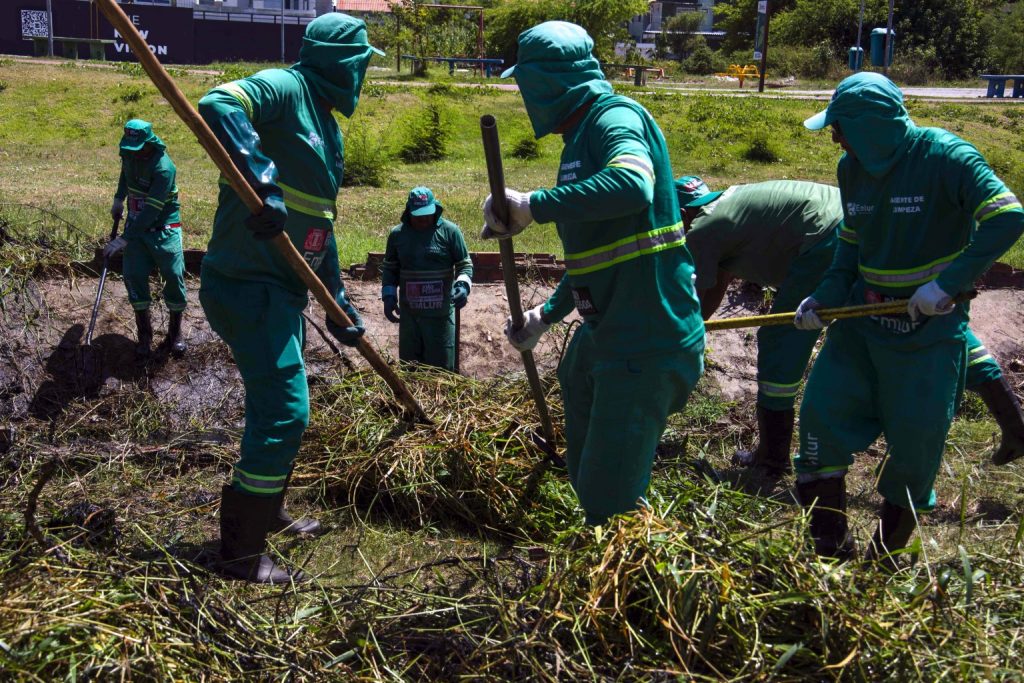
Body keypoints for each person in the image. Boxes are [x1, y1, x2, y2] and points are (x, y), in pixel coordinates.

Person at [795, 72, 1023, 568]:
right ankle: (828, 544)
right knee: (819, 418)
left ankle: (884, 561)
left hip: (927, 331)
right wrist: (823, 298)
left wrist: (946, 284)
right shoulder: (850, 168)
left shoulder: (946, 158)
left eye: (840, 127)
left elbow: (1008, 214)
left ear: (871, 127)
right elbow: (849, 249)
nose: (834, 137)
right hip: (860, 322)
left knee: (916, 447)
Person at [482, 21, 705, 526]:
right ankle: (599, 502)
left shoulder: (613, 118)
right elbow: (600, 258)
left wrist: (533, 206)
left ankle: (620, 581)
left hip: (647, 336)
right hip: (608, 327)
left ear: (546, 83)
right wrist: (545, 314)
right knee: (575, 377)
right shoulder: (578, 139)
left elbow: (632, 183)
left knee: (611, 502)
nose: (523, 96)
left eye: (525, 84)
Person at [197, 13, 382, 583]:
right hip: (247, 285)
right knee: (286, 410)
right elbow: (217, 103)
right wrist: (260, 180)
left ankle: (269, 510)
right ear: (341, 61)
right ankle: (241, 554)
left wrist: (339, 306)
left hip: (284, 293)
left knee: (275, 406)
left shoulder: (328, 128)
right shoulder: (286, 86)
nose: (363, 75)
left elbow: (317, 231)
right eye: (360, 64)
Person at [679, 177, 1024, 477]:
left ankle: (771, 458)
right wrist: (700, 328)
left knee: (780, 337)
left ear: (682, 214)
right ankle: (1013, 421)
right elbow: (712, 289)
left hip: (823, 242)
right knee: (926, 322)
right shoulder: (730, 206)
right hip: (862, 227)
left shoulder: (703, 229)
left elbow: (689, 303)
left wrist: (680, 347)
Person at [105, 119, 187, 358]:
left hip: (164, 227)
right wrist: (119, 199)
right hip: (135, 227)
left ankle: (175, 333)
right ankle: (145, 334)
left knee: (173, 275)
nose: (133, 154)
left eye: (137, 148)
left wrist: (124, 238)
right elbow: (125, 172)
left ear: (149, 143)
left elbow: (152, 211)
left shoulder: (164, 168)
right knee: (133, 275)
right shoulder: (129, 154)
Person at [381, 187, 473, 371]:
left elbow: (464, 264)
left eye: (428, 214)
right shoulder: (398, 235)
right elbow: (390, 269)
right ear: (409, 211)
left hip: (440, 315)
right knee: (410, 367)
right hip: (410, 316)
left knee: (441, 369)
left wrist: (463, 285)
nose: (424, 219)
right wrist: (388, 296)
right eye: (419, 215)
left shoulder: (450, 232)